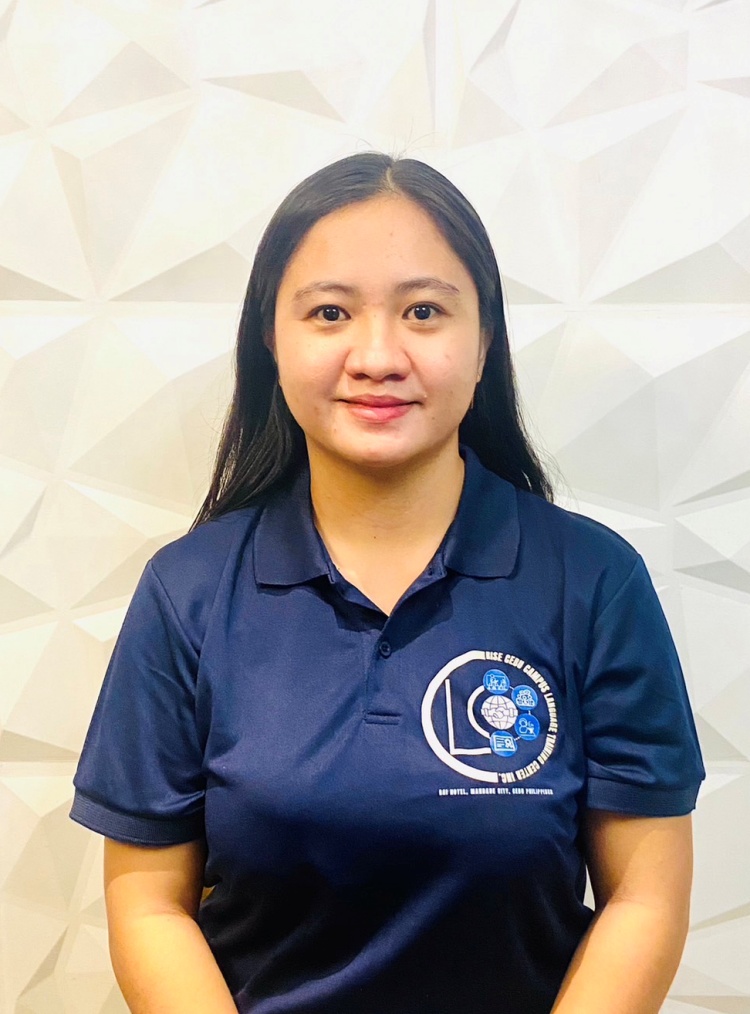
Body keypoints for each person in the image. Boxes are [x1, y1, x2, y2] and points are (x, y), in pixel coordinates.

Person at [69, 151, 706, 1014]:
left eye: (423, 311)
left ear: (485, 341)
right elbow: (148, 906)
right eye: (330, 312)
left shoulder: (594, 583)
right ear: (272, 339)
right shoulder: (186, 594)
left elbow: (645, 900)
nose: (377, 355)